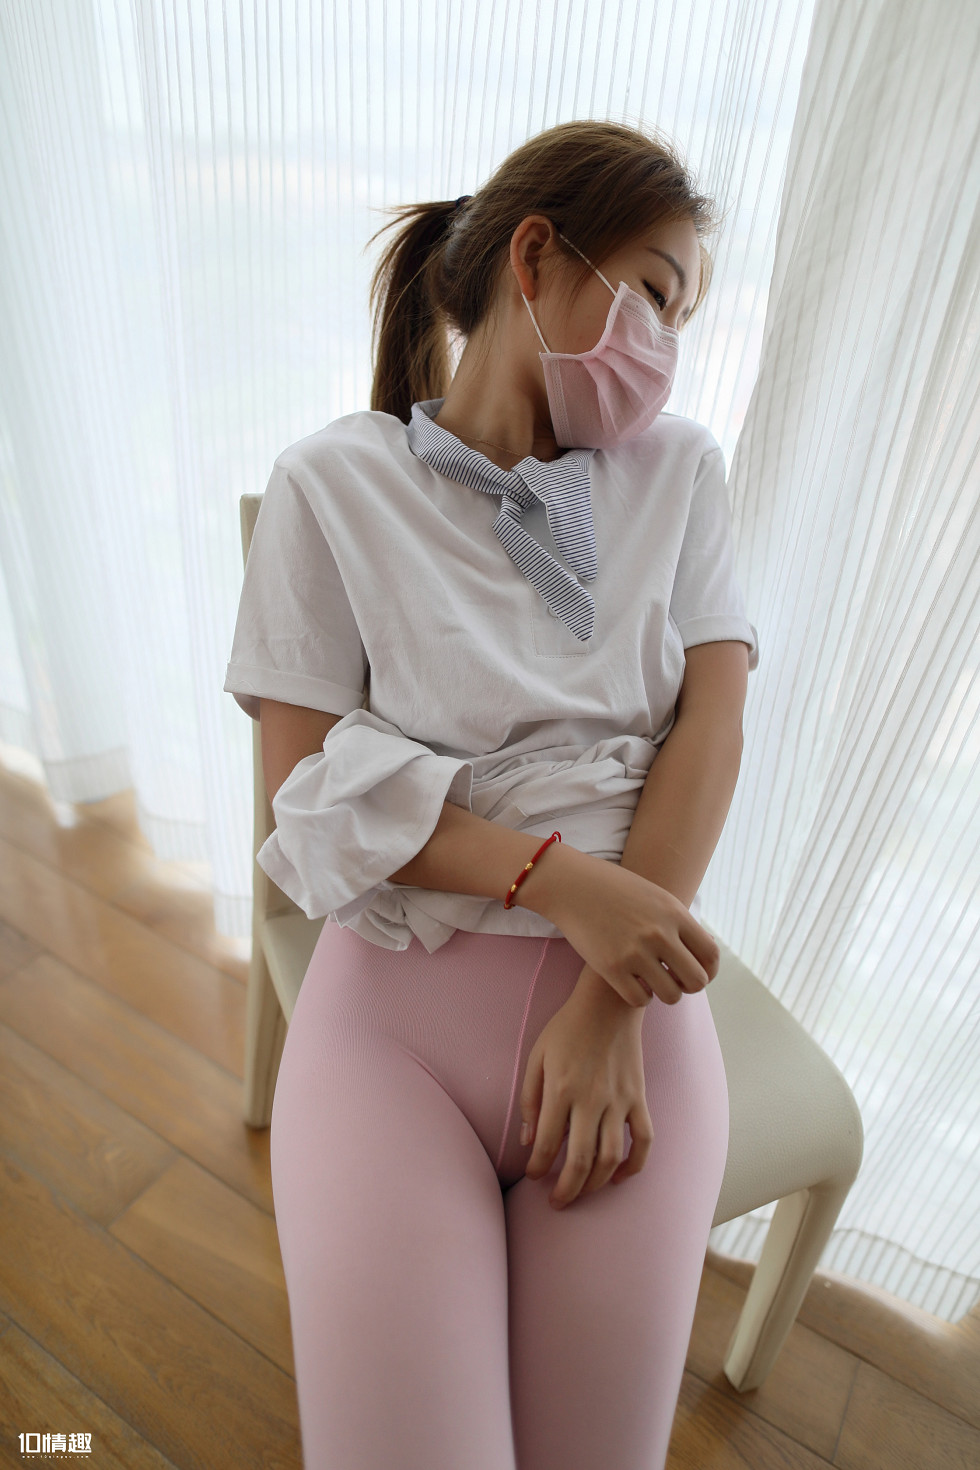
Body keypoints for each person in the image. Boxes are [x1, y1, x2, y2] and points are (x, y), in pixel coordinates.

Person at [224, 117, 759, 1470]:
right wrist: (558, 881)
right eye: (654, 294)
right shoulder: (330, 485)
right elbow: (302, 797)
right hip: (394, 1030)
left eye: (682, 319)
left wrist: (611, 999)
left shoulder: (682, 473)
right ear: (536, 257)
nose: (664, 345)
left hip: (630, 1018)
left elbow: (713, 724)